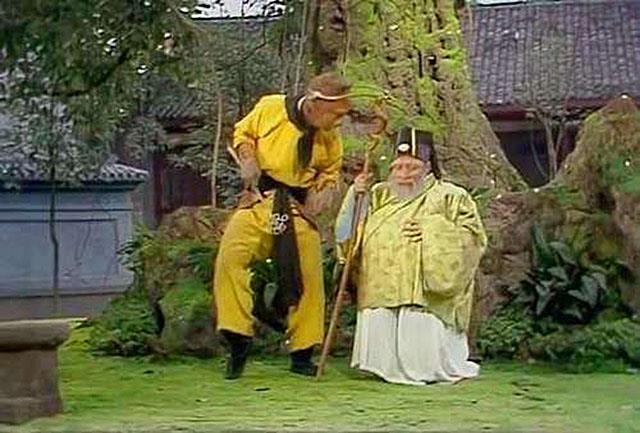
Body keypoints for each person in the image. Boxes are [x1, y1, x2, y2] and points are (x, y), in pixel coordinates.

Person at [214, 72, 352, 379]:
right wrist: (248, 158)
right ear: (315, 103)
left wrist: (325, 191)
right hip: (258, 200)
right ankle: (237, 338)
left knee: (310, 274)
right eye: (336, 113)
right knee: (230, 258)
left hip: (297, 208)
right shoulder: (271, 107)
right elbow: (244, 133)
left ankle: (302, 353)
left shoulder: (330, 137)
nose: (340, 121)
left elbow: (330, 171)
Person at [336, 127, 487, 385]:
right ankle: (381, 365)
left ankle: (426, 367)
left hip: (423, 288)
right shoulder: (379, 194)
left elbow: (473, 237)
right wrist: (355, 196)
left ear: (427, 167)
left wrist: (432, 229)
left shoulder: (450, 195)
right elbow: (348, 231)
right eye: (398, 167)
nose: (403, 174)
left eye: (412, 167)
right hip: (379, 281)